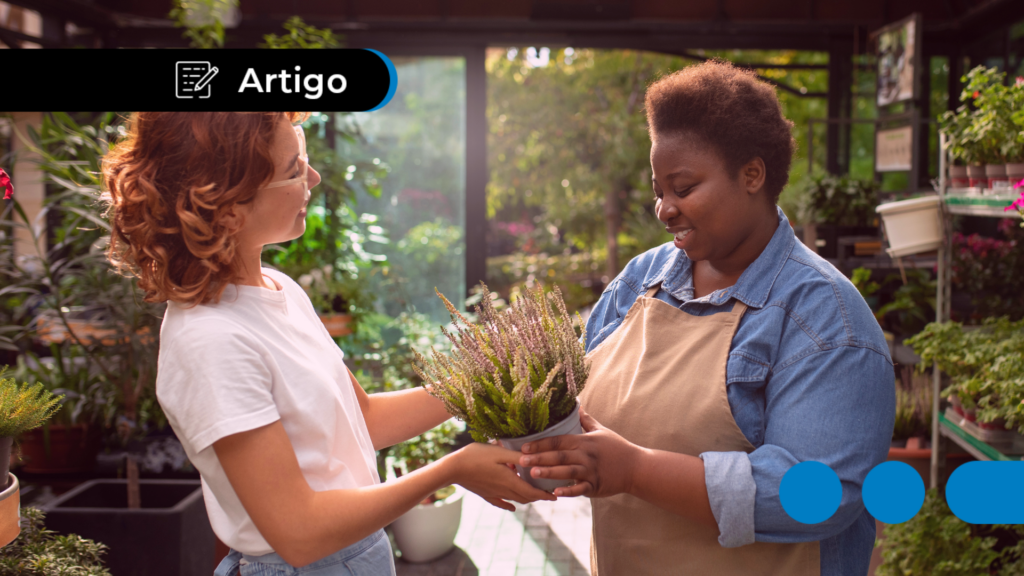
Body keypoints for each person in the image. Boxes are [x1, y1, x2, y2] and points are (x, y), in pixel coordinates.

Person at [102, 111, 554, 576]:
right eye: (294, 169)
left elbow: (362, 421)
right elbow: (299, 534)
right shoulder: (210, 340)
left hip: (359, 553)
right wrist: (450, 470)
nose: (313, 177)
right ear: (229, 206)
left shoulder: (278, 290)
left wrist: (482, 380)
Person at [518, 60, 895, 575]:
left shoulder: (825, 319)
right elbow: (572, 393)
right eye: (659, 191)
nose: (665, 208)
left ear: (752, 175)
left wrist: (635, 470)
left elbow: (820, 494)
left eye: (684, 187)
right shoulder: (640, 281)